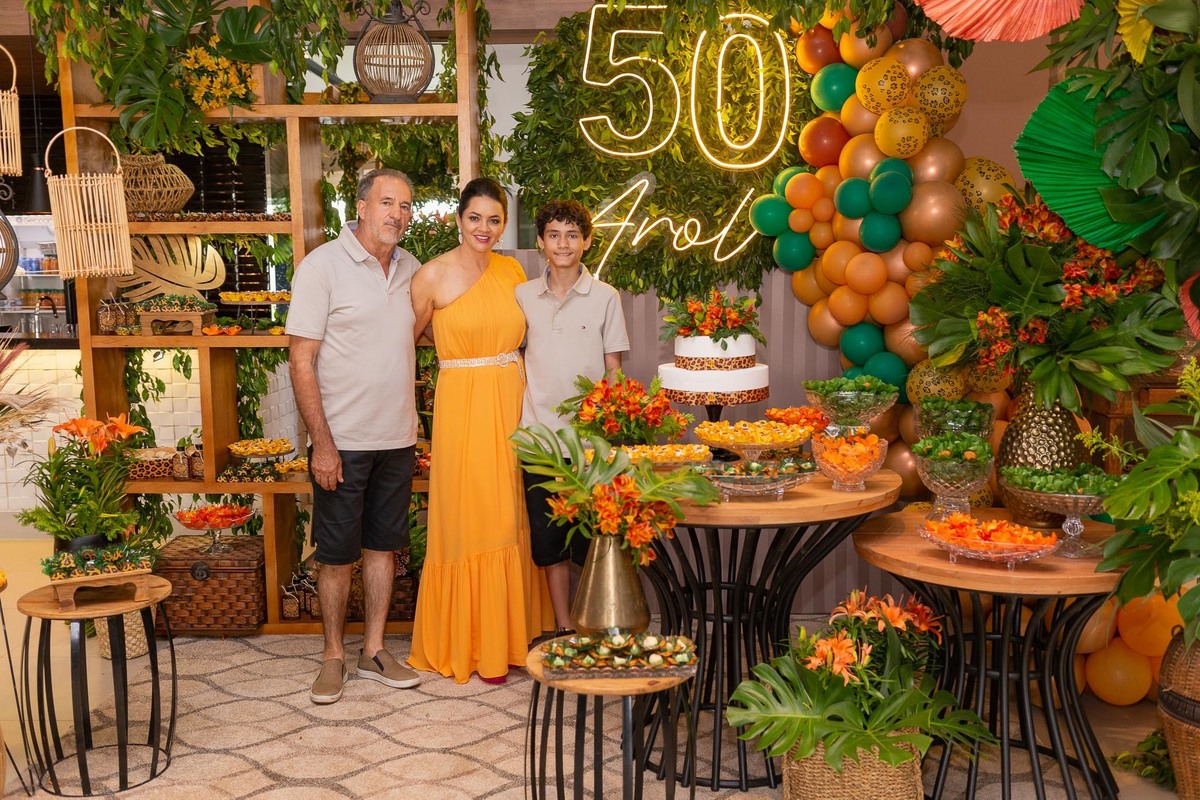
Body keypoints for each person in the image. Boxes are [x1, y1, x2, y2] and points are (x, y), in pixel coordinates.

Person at [407, 177, 553, 684]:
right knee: (474, 514)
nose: (484, 228)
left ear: (504, 224)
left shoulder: (512, 271)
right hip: (463, 408)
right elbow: (406, 341)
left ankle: (512, 636)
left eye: (494, 220)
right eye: (475, 218)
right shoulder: (431, 275)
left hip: (513, 403)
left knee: (512, 511)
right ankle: (473, 643)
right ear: (458, 219)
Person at [287, 168, 423, 704]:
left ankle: (373, 650)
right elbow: (301, 359)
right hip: (341, 441)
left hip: (398, 437)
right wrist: (321, 443)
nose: (397, 215)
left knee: (384, 549)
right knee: (336, 554)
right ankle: (332, 656)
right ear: (361, 207)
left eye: (405, 206)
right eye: (388, 203)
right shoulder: (322, 267)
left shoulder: (412, 269)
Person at [516, 199, 629, 634]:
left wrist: (613, 434)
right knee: (549, 543)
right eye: (554, 235)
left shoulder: (606, 297)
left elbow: (614, 370)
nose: (563, 244)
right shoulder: (522, 296)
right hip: (539, 441)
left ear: (587, 241)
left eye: (572, 235)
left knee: (593, 540)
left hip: (590, 444)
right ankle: (564, 627)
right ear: (541, 242)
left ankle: (595, 623)